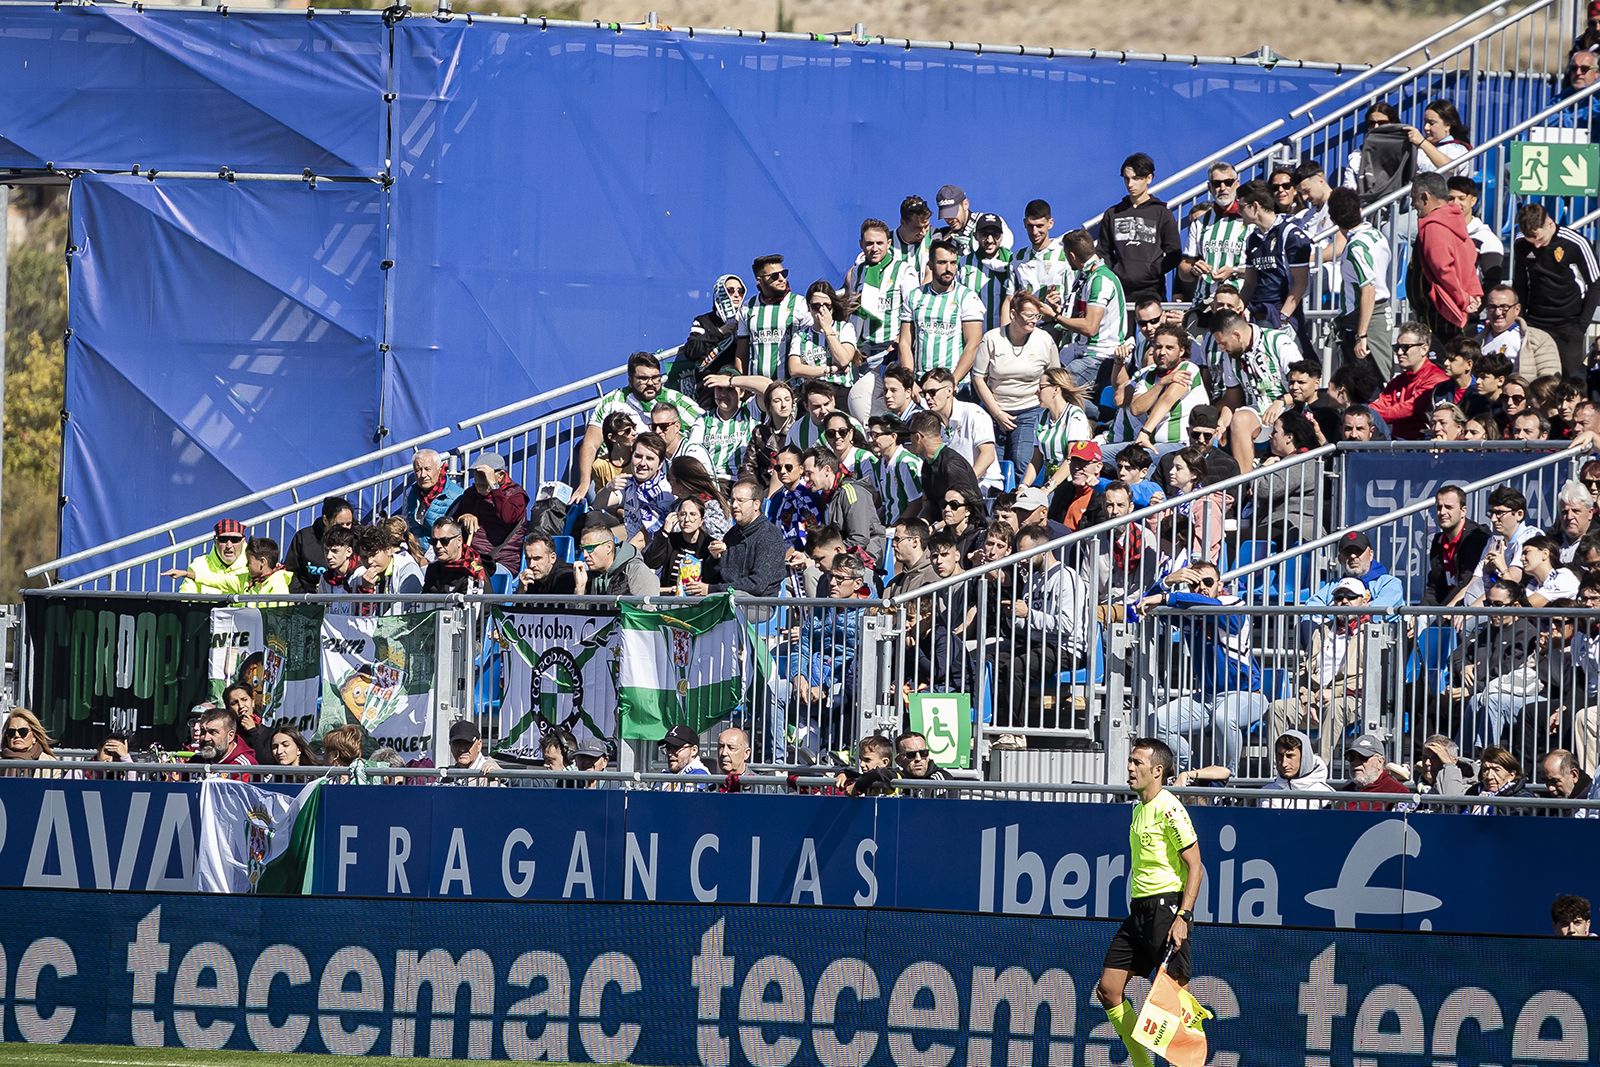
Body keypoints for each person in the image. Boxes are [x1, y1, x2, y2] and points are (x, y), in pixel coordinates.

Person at [1096, 737, 1203, 1067]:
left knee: (1175, 1003)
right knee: (1108, 990)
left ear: (1157, 770)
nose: (1129, 768)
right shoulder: (1139, 808)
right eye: (1129, 761)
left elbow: (1196, 867)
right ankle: (1144, 1065)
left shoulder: (1170, 808)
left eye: (1137, 763)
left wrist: (1183, 915)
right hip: (1139, 910)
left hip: (1166, 909)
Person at [1142, 562, 1266, 774]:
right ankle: (1190, 773)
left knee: (1224, 717)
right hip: (1207, 698)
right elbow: (1148, 604)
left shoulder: (1232, 602)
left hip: (1246, 695)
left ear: (1220, 584)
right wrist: (1167, 582)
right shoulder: (1189, 613)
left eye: (1208, 582)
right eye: (1194, 584)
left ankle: (1228, 781)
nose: (1202, 588)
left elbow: (1212, 607)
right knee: (1157, 721)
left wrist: (1167, 597)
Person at [1268, 577, 1374, 762]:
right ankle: (1277, 772)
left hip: (1351, 699)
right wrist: (1309, 700)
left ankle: (1319, 771)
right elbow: (1305, 671)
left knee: (1333, 708)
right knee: (1276, 708)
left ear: (1364, 601)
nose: (1344, 601)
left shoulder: (1371, 633)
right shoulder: (1321, 631)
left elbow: (1371, 678)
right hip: (1315, 697)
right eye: (1339, 597)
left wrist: (1333, 692)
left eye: (1351, 597)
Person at [574, 351, 701, 500]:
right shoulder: (612, 401)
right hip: (613, 475)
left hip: (656, 477)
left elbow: (703, 421)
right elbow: (590, 443)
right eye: (643, 378)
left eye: (655, 378)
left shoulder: (673, 400)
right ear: (630, 380)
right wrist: (583, 483)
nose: (650, 383)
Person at [1450, 582, 1541, 752]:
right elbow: (1457, 654)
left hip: (1500, 692)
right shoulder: (1487, 629)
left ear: (1515, 606)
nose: (1492, 610)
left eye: (1498, 605)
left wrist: (1472, 689)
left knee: (1476, 700)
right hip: (1473, 689)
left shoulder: (1525, 633)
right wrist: (1463, 666)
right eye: (1488, 604)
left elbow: (1507, 673)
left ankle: (1472, 756)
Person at [1513, 204, 1600, 379]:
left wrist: (1581, 326)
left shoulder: (1575, 243)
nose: (1536, 245)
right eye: (1531, 240)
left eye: (1539, 238)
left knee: (1569, 383)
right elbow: (1520, 282)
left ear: (1550, 224)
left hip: (1568, 325)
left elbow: (1596, 283)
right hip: (1535, 323)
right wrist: (1521, 317)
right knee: (1532, 381)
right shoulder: (1521, 242)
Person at [973, 291, 1056, 470]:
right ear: (1013, 314)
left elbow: (1056, 377)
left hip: (1029, 409)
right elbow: (978, 377)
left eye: (1037, 316)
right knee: (993, 465)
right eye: (1029, 315)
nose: (1034, 320)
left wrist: (1045, 402)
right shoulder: (992, 339)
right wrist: (997, 413)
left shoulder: (1044, 340)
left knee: (1021, 462)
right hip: (995, 409)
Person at [1210, 310, 1298, 472]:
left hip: (1290, 408)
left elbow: (1305, 386)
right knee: (1239, 419)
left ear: (1236, 335)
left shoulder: (1278, 342)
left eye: (1223, 343)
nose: (1222, 349)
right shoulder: (1230, 356)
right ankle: (1245, 483)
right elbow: (1232, 398)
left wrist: (1282, 400)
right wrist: (1221, 423)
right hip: (1258, 415)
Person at [1096, 151, 1182, 308]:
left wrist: (1153, 270)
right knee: (1120, 334)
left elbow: (1174, 253)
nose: (1130, 184)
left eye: (1136, 178)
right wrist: (1114, 273)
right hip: (1120, 289)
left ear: (1149, 178)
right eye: (1126, 179)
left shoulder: (1162, 213)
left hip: (1152, 290)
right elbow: (1103, 251)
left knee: (1151, 331)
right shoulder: (1112, 213)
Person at [1110, 323, 1210, 456]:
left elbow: (1167, 399)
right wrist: (1161, 383)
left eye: (1169, 348)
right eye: (1158, 347)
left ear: (1181, 351)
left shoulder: (1188, 368)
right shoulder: (1147, 374)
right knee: (1098, 456)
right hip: (1145, 445)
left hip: (1178, 445)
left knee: (1137, 461)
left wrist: (1145, 432)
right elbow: (1135, 407)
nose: (1162, 352)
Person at [1057, 228, 1129, 413]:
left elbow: (1090, 327)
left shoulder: (1101, 279)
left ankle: (1106, 417)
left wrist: (1055, 317)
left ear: (1072, 255)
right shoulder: (1087, 275)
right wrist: (1058, 310)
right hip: (1083, 352)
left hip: (1099, 356)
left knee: (1052, 388)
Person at [1408, 172, 1482, 344]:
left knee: (1441, 367)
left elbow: (1443, 270)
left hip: (1440, 314)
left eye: (1414, 198)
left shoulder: (1434, 227)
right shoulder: (1453, 222)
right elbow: (1469, 259)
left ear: (1426, 197)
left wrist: (1463, 298)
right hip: (1449, 311)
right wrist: (1472, 294)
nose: (1412, 204)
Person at [1329, 187, 1394, 377]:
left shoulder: (1355, 248)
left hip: (1365, 318)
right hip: (1379, 312)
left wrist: (1361, 335)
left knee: (1368, 383)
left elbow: (1368, 289)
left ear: (1333, 220)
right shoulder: (1377, 235)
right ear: (1359, 210)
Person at [1237, 178, 1311, 343]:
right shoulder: (1252, 238)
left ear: (1255, 206)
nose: (1238, 212)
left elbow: (1300, 283)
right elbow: (1250, 284)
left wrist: (1283, 317)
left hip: (1283, 314)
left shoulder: (1290, 234)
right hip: (1258, 314)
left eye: (1241, 207)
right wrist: (1237, 308)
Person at [899, 237, 984, 382]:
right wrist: (910, 381)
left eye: (952, 263)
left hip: (957, 384)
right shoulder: (915, 296)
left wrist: (952, 382)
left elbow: (973, 344)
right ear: (930, 265)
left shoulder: (967, 297)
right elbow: (905, 342)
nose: (948, 269)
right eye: (942, 263)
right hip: (921, 381)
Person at [1452, 486, 1540, 608]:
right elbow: (1474, 582)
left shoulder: (1531, 537)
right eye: (1491, 513)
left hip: (1513, 608)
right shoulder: (1493, 541)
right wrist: (1448, 610)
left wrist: (1469, 614)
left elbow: (1511, 583)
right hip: (1489, 604)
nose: (1493, 519)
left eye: (1499, 513)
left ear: (1519, 514)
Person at [1180, 160, 1251, 308]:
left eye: (1228, 182)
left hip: (1239, 304)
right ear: (1209, 187)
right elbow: (1183, 271)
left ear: (1237, 184)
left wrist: (1234, 271)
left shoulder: (1250, 220)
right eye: (1217, 184)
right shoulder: (1199, 222)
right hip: (1204, 302)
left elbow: (1262, 268)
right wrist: (1194, 270)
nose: (1222, 188)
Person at [670, 273, 746, 404]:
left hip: (740, 389)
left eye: (740, 291)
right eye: (730, 290)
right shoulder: (704, 321)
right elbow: (691, 351)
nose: (736, 295)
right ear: (720, 293)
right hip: (709, 391)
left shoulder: (748, 320)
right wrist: (721, 331)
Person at [804, 450, 885, 565]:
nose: (806, 479)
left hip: (864, 560)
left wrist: (827, 557)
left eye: (809, 473)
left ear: (827, 470)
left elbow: (859, 538)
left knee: (810, 574)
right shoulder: (827, 497)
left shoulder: (851, 492)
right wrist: (807, 555)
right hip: (840, 557)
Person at [1371, 322, 1449, 440]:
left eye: (1405, 347)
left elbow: (1408, 409)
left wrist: (1370, 415)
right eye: (1397, 348)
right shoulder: (1398, 381)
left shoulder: (1436, 378)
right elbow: (1380, 403)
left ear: (1424, 349)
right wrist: (1366, 412)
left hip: (1421, 444)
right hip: (1396, 442)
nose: (1399, 353)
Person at [1022, 368, 1094, 495]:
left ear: (1056, 389)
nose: (1036, 393)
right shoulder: (1041, 417)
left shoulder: (1075, 416)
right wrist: (1023, 485)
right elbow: (1036, 458)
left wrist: (1048, 488)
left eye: (1041, 387)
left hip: (1070, 483)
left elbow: (1072, 458)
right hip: (1050, 481)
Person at [905, 410, 981, 523]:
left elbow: (964, 510)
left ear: (917, 437)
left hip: (966, 531)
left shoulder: (951, 465)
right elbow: (930, 505)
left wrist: (935, 528)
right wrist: (922, 527)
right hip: (942, 529)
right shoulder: (927, 465)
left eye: (909, 435)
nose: (909, 440)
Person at [788, 279, 860, 396]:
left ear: (833, 306)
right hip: (810, 392)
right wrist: (830, 370)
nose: (822, 310)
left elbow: (843, 360)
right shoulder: (800, 336)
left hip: (839, 390)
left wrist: (827, 329)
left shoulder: (845, 328)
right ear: (809, 307)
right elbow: (794, 369)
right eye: (816, 306)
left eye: (827, 305)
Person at [1424, 484, 1489, 606]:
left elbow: (1466, 582)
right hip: (1446, 609)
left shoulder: (1476, 538)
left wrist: (1441, 613)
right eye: (1439, 507)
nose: (1442, 512)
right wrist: (1419, 613)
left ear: (1463, 511)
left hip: (1470, 607)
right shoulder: (1438, 541)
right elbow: (1434, 585)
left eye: (1449, 507)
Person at [1478, 285, 1562, 379]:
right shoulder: (1477, 341)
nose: (1498, 313)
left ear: (1517, 309)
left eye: (1504, 307)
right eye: (1492, 307)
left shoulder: (1538, 339)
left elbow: (1550, 378)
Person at [645, 495, 723, 593]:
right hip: (670, 597)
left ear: (701, 521)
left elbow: (714, 578)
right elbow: (652, 562)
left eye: (693, 514)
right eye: (683, 514)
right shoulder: (671, 540)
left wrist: (715, 558)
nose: (687, 519)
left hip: (700, 600)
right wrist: (664, 533)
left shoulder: (709, 545)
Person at [573, 513, 661, 596]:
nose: (584, 554)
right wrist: (580, 590)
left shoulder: (637, 572)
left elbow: (646, 611)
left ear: (608, 547)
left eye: (589, 548)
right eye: (583, 549)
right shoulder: (587, 575)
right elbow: (581, 612)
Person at [1447, 175, 1505, 292]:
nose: (1455, 203)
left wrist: (1473, 310)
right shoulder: (1439, 232)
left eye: (1461, 198)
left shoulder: (1487, 239)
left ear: (1473, 201)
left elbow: (1492, 283)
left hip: (1468, 307)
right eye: (1450, 198)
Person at [958, 213, 1015, 331]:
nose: (990, 240)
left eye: (995, 234)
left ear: (1002, 236)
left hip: (1002, 339)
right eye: (984, 234)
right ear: (975, 236)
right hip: (970, 339)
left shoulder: (1013, 263)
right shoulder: (963, 264)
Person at [402, 451, 463, 555]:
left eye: (427, 469)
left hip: (442, 556)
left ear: (439, 469)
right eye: (418, 470)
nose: (423, 475)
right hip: (415, 554)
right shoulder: (412, 494)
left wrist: (428, 558)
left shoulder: (457, 496)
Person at [172, 518, 250, 595]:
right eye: (223, 539)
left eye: (235, 540)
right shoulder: (199, 564)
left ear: (243, 541)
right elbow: (185, 597)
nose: (229, 545)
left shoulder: (253, 566)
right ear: (215, 541)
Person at [1260, 729, 1335, 809]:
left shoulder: (1326, 796)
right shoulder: (1265, 792)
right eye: (1280, 755)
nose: (1284, 763)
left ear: (1304, 758)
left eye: (1290, 756)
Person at [1401, 98, 1473, 176]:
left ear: (1447, 125)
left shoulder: (1459, 148)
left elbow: (1451, 169)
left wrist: (1422, 142)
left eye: (1431, 123)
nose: (1426, 127)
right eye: (1425, 122)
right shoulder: (1419, 147)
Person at [1338, 734, 1410, 809]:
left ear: (1380, 762)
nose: (1356, 763)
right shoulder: (1347, 790)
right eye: (1351, 757)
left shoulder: (1397, 792)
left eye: (1363, 757)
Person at [422, 517, 487, 593]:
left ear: (459, 540)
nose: (438, 545)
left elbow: (474, 604)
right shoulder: (432, 569)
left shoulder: (473, 571)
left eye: (444, 541)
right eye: (434, 541)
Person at [1465, 745, 1534, 814]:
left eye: (1496, 770)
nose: (1489, 776)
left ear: (1512, 775)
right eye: (1485, 770)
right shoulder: (1474, 791)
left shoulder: (1523, 797)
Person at [1521, 534, 1580, 607]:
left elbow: (1525, 607)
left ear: (1545, 554)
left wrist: (1503, 566)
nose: (1521, 558)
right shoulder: (1533, 583)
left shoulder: (1564, 577)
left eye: (1526, 552)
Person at [189, 709, 257, 772]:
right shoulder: (195, 761)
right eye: (203, 732)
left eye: (213, 732)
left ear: (230, 736)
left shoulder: (243, 767)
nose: (206, 738)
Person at [0, 708, 61, 778]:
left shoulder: (50, 764)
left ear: (34, 737)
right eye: (11, 732)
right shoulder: (1, 761)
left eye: (23, 731)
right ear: (6, 737)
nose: (17, 735)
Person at [894, 730, 954, 794]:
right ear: (899, 760)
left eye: (923, 753)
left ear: (928, 757)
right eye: (911, 754)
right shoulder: (896, 777)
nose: (918, 759)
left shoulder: (941, 779)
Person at [714, 726, 752, 791]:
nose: (724, 753)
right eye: (721, 747)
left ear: (746, 753)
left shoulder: (763, 787)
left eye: (731, 748)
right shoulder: (709, 788)